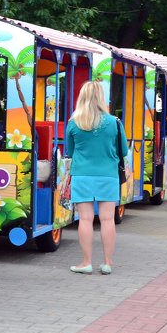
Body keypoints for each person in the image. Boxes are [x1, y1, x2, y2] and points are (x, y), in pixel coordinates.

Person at [63, 81, 127, 275]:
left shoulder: (74, 123)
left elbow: (70, 151)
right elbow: (123, 150)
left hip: (82, 175)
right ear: (101, 98)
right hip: (108, 176)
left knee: (85, 219)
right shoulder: (114, 122)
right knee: (107, 219)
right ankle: (107, 263)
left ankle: (86, 262)